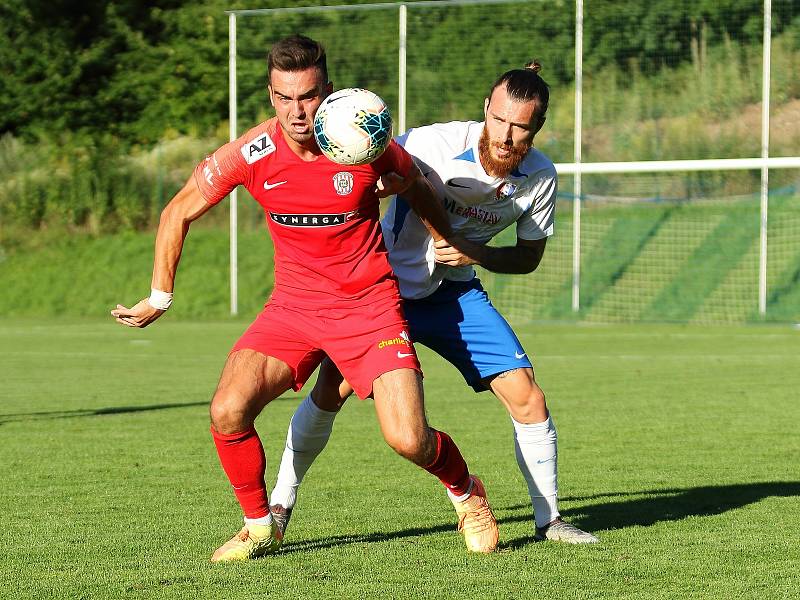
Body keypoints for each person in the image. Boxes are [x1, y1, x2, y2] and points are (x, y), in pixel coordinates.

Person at [110, 34, 499, 561]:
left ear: (328, 92)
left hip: (369, 309)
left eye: (309, 96)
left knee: (409, 440)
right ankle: (258, 525)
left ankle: (465, 491)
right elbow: (177, 211)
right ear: (271, 96)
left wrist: (443, 236)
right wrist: (160, 296)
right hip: (293, 309)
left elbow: (418, 185)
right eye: (285, 97)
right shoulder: (253, 152)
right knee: (228, 410)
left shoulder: (364, 141)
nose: (297, 111)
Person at [269, 61, 599, 545]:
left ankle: (550, 521)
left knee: (528, 396)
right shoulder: (428, 145)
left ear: (537, 128)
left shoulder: (540, 177)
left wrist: (476, 253)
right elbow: (361, 166)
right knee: (328, 393)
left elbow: (528, 259)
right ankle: (279, 507)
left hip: (455, 294)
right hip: (384, 294)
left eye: (521, 128)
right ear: (486, 109)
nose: (506, 136)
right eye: (500, 120)